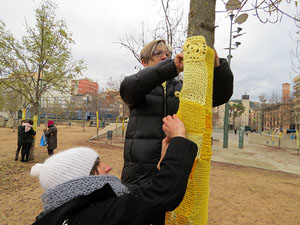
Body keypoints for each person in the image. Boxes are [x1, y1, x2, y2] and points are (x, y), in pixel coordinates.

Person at [31, 115, 197, 225]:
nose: (108, 167)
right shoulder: (96, 216)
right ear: (79, 180)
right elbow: (162, 194)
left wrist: (162, 166)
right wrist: (178, 140)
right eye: (98, 165)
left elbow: (141, 203)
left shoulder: (59, 215)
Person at [120, 39, 234, 188]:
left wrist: (218, 67)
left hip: (173, 168)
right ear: (144, 62)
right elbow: (129, 88)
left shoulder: (183, 88)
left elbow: (220, 95)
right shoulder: (137, 87)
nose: (164, 57)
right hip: (139, 175)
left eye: (168, 54)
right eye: (158, 53)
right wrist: (171, 67)